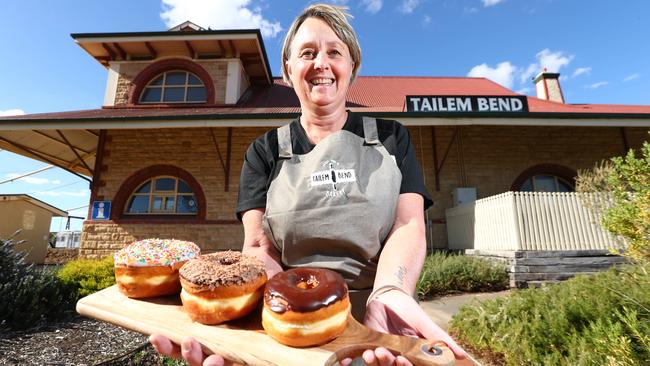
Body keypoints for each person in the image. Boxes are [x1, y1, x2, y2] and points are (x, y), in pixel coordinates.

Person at [150, 4, 467, 366]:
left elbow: (408, 224)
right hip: (290, 326)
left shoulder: (390, 138)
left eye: (335, 52)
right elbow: (258, 246)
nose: (321, 63)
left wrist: (391, 290)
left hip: (378, 320)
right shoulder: (264, 151)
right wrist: (271, 310)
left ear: (352, 67)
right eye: (307, 53)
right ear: (288, 70)